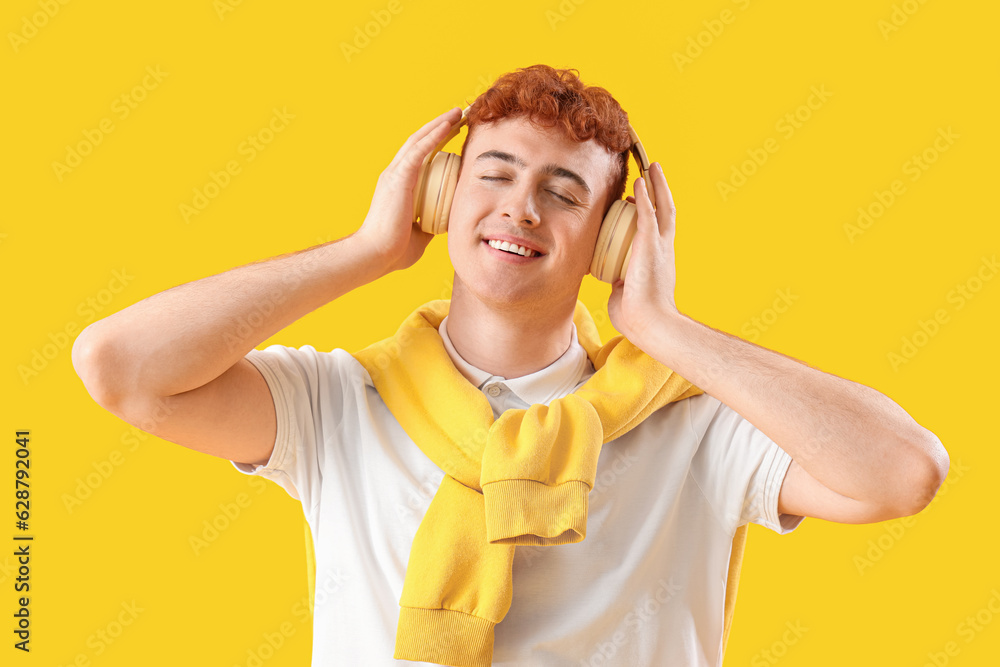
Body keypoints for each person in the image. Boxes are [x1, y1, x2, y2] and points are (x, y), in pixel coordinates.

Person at [71, 65, 949, 666]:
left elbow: (903, 473)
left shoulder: (696, 427)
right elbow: (120, 368)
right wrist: (367, 250)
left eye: (565, 192)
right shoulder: (339, 403)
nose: (521, 209)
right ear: (443, 196)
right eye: (493, 174)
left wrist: (664, 327)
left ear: (612, 236)